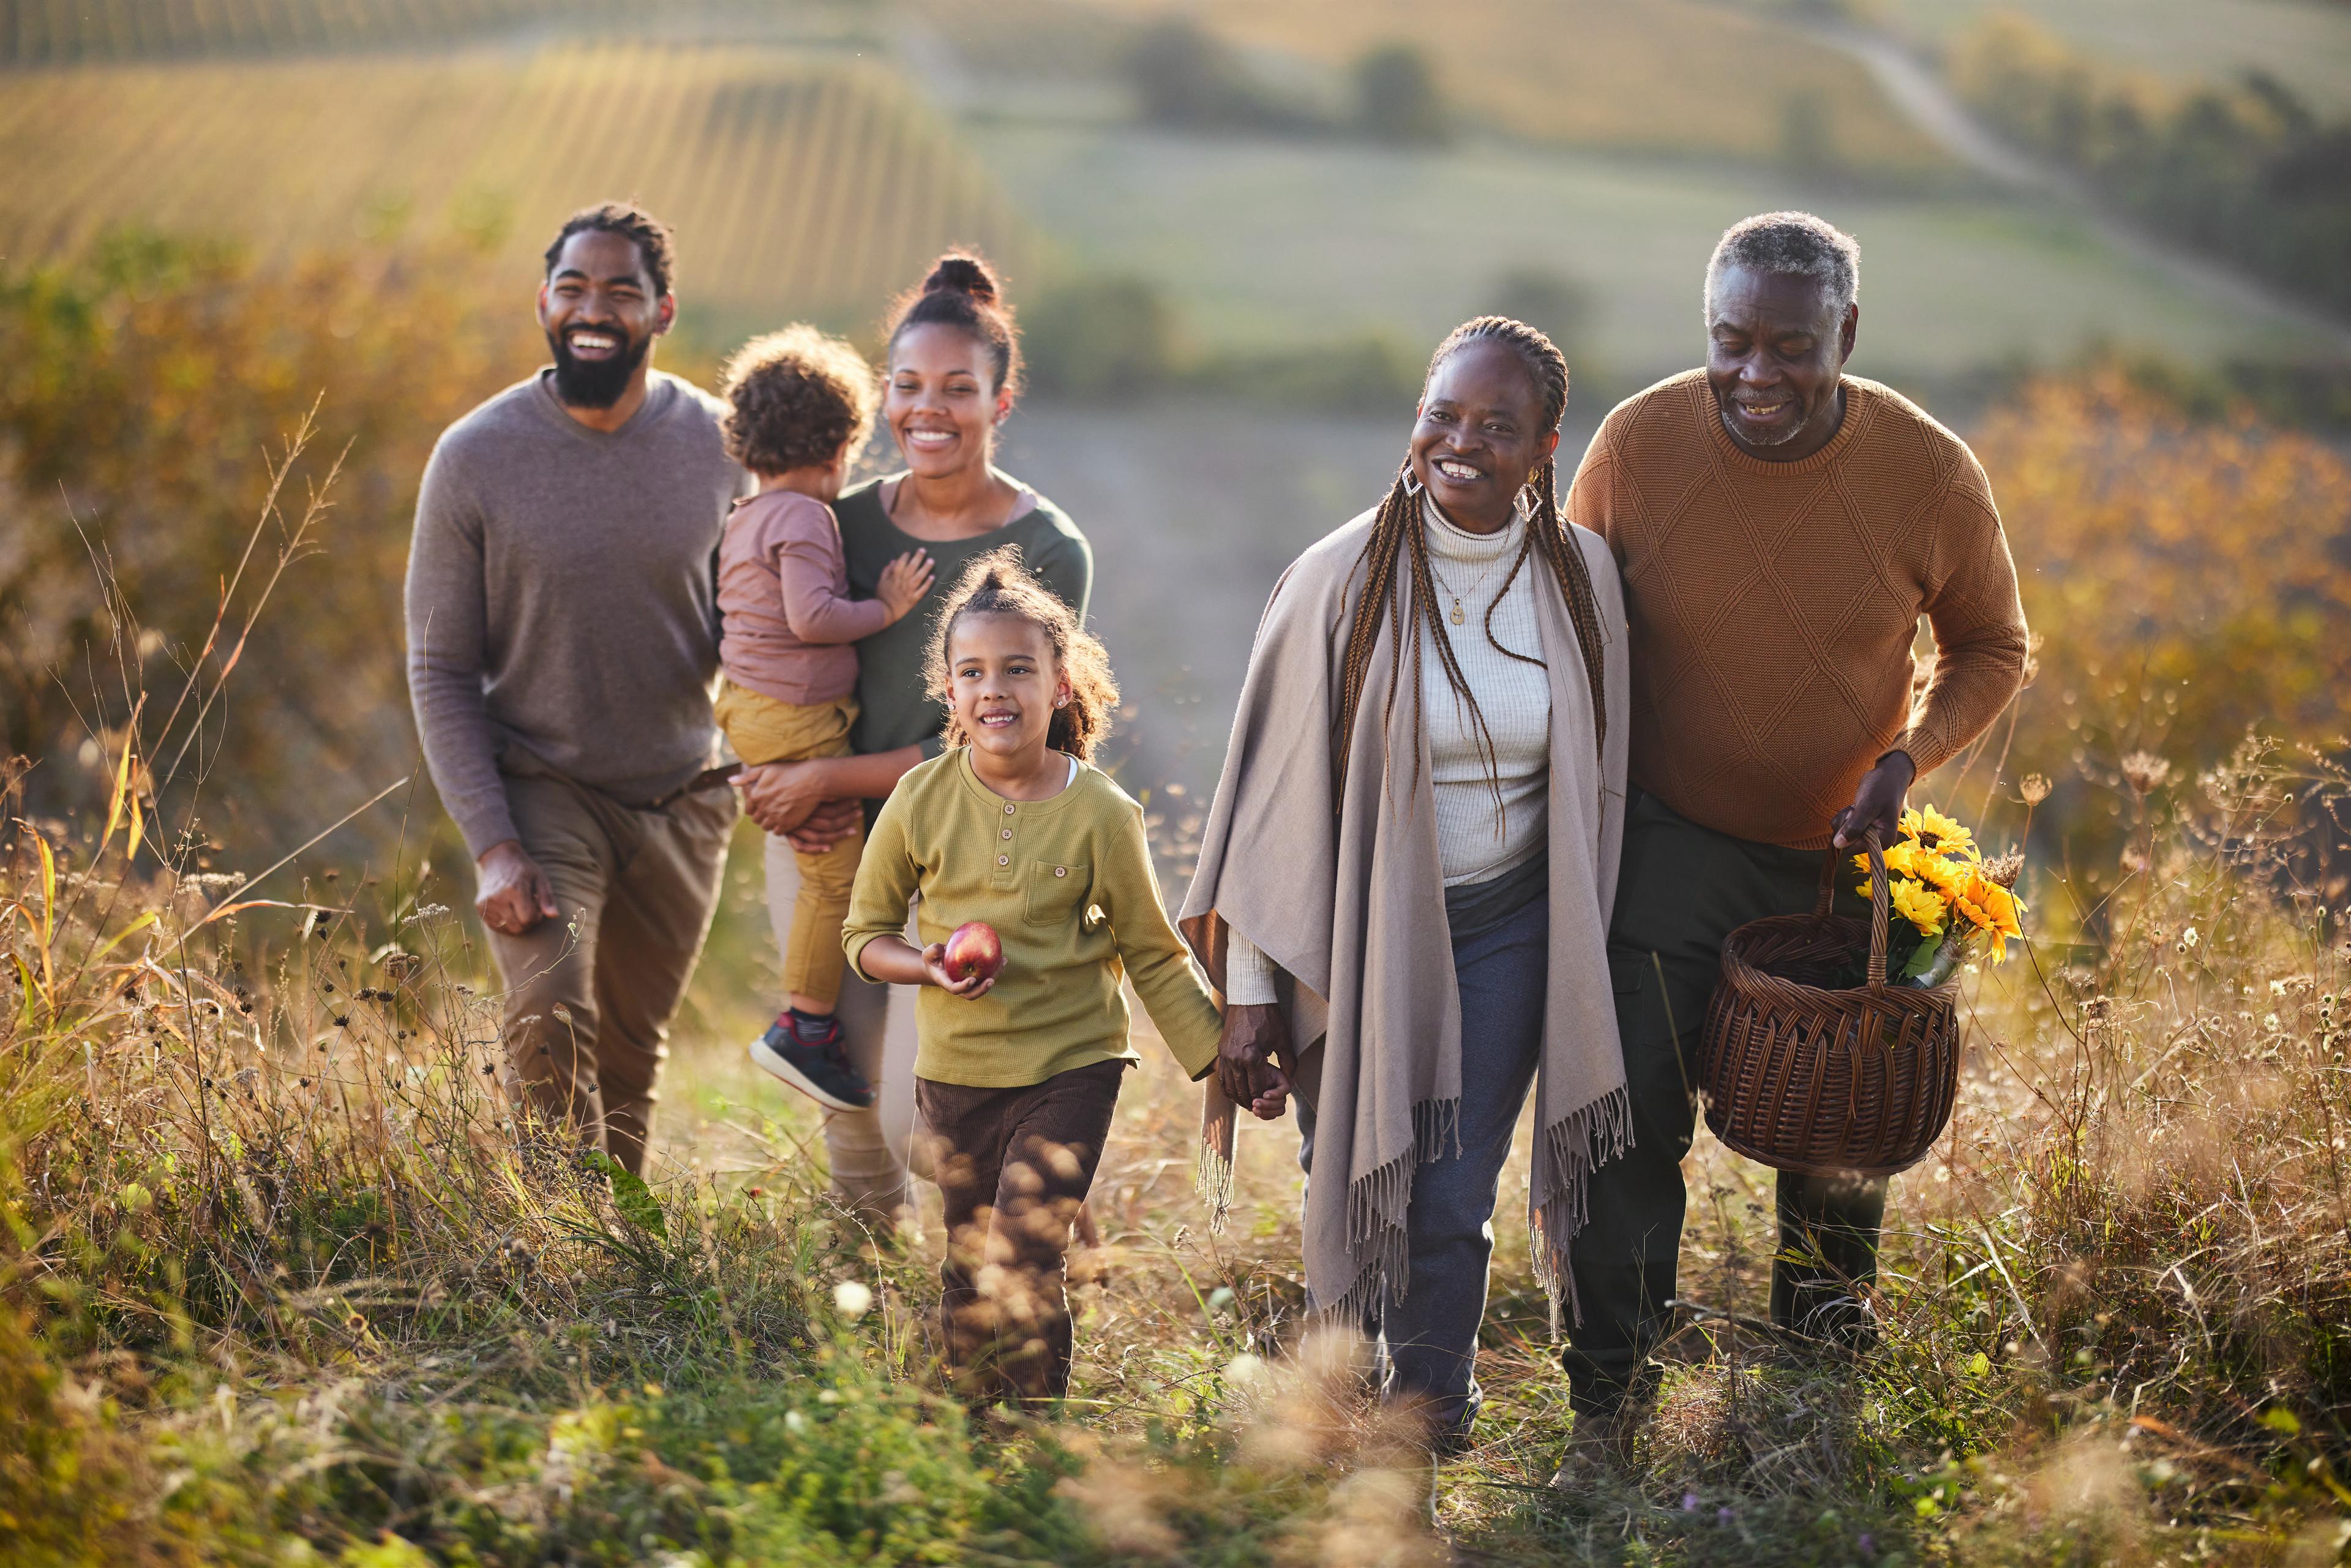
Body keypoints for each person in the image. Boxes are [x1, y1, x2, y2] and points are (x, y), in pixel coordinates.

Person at [1556, 211, 2028, 1466]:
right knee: (1626, 1121)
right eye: (1731, 340)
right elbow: (1561, 613)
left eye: (1791, 346)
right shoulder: (1639, 442)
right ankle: (1609, 1401)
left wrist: (1904, 762)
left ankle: (1815, 1392)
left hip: (1841, 862)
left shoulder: (1926, 471)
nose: (1756, 372)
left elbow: (1993, 645)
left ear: (1848, 336)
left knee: (1837, 1133)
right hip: (1665, 837)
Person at [1180, 317, 1632, 1455]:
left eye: (1497, 425)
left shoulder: (1585, 583)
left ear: (1546, 445)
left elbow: (1608, 781)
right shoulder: (1338, 582)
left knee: (1448, 1194)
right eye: (1442, 414)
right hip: (1361, 933)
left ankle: (1427, 1421)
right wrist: (1248, 993)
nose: (1461, 442)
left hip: (1508, 928)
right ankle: (1342, 1398)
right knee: (1347, 1170)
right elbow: (1267, 811)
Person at [736, 252, 1092, 1231]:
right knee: (844, 1107)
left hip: (965, 856)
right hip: (830, 847)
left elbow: (996, 739)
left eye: (958, 389)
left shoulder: (1046, 548)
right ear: (882, 397)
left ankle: (989, 1294)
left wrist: (819, 773)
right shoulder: (832, 525)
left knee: (916, 1126)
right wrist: (760, 766)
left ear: (1000, 400)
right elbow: (765, 652)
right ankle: (870, 1323)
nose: (928, 410)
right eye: (907, 387)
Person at [405, 202, 743, 1177]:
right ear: (544, 303)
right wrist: (495, 845)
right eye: (573, 288)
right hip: (542, 789)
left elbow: (766, 625)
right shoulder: (475, 455)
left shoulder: (722, 445)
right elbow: (438, 664)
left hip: (686, 796)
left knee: (634, 1050)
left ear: (663, 310)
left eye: (621, 291)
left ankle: (613, 1274)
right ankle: (554, 1250)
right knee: (550, 1022)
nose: (594, 308)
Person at [842, 550, 1221, 1404]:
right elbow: (864, 936)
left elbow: (1152, 951)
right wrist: (926, 964)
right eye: (973, 671)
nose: (995, 688)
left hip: (1069, 1067)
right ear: (949, 690)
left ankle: (1032, 1429)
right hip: (956, 1072)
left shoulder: (1102, 814)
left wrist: (1218, 1057)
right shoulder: (919, 798)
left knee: (1023, 1249)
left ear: (1061, 686)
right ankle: (969, 1425)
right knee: (970, 1258)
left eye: (1020, 668)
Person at [710, 326, 934, 1111]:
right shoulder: (805, 516)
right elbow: (810, 617)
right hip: (795, 720)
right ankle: (805, 1027)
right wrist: (888, 606)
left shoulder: (746, 514)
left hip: (754, 713)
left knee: (817, 851)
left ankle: (810, 1023)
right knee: (833, 873)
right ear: (838, 444)